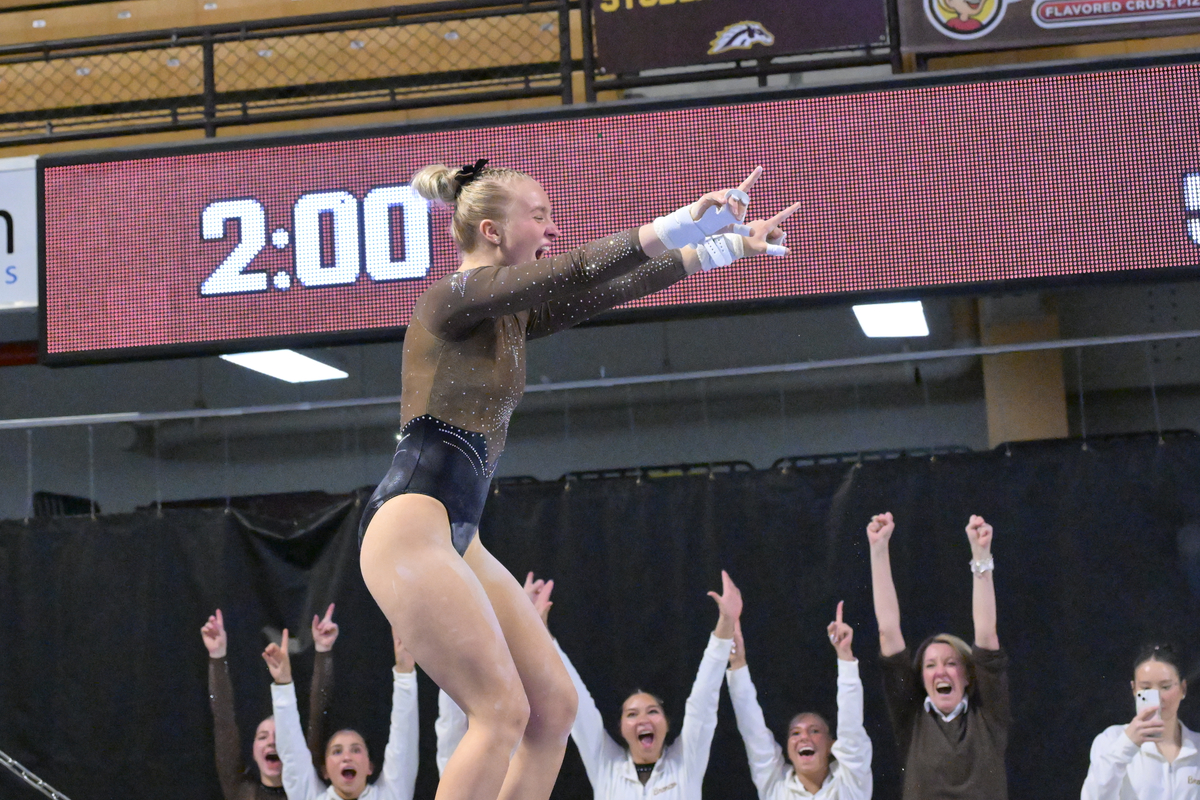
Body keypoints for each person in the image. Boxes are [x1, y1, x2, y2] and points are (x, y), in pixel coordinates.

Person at [356, 157, 799, 800]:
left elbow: (603, 290)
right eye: (539, 216)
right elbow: (574, 269)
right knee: (500, 710)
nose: (553, 229)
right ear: (490, 230)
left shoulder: (507, 318)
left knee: (552, 712)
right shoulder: (452, 300)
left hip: (458, 533)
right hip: (409, 527)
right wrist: (677, 224)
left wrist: (726, 245)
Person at [550, 570, 742, 799]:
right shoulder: (606, 765)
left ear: (668, 724)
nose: (643, 720)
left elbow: (703, 701)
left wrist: (726, 622)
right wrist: (538, 629)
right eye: (632, 714)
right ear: (620, 729)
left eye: (652, 711)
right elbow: (577, 703)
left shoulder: (685, 762)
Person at [866, 512, 1010, 799]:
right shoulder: (912, 718)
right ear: (921, 678)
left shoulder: (988, 717)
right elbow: (888, 632)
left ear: (968, 675)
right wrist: (878, 550)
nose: (940, 671)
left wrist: (980, 554)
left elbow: (985, 632)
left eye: (950, 663)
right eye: (930, 665)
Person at [726, 601, 873, 800]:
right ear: (786, 748)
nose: (804, 738)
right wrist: (737, 663)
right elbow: (754, 734)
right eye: (795, 733)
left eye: (814, 731)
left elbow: (851, 729)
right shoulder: (776, 788)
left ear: (831, 745)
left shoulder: (850, 784)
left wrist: (845, 656)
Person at [262, 627, 418, 800]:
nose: (346, 757)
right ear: (325, 770)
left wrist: (405, 673)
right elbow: (292, 753)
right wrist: (283, 684)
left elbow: (403, 743)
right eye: (336, 752)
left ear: (370, 767)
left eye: (356, 750)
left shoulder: (391, 796)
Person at [201, 606, 338, 800]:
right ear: (254, 752)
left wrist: (324, 651)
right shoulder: (242, 791)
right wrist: (217, 656)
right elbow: (224, 720)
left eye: (280, 735)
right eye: (263, 737)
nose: (272, 742)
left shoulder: (308, 787)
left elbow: (319, 715)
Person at [1081, 643, 1200, 798]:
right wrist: (1127, 745)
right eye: (1146, 688)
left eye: (1165, 687)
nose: (1157, 697)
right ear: (1134, 689)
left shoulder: (1197, 747)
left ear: (1183, 689)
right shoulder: (1111, 740)